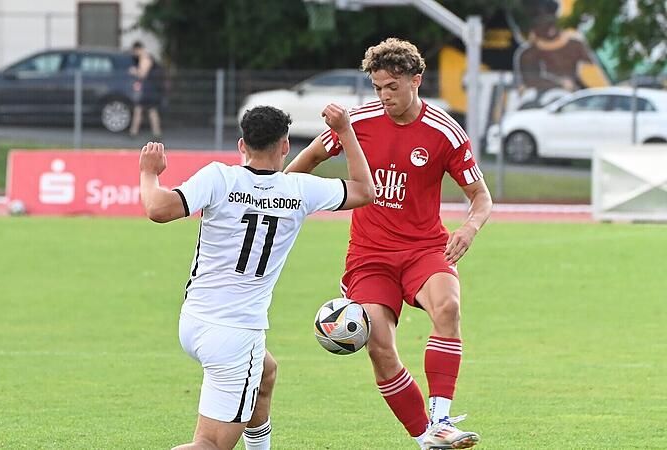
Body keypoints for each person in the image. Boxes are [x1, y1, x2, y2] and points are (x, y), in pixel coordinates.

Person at [285, 38, 492, 450]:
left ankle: (442, 418)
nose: (384, 96)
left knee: (448, 307)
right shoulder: (357, 123)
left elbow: (481, 197)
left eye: (392, 87)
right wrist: (273, 196)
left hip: (425, 249)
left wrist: (469, 228)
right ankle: (425, 437)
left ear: (416, 81)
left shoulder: (445, 132)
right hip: (369, 257)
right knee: (379, 347)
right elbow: (305, 162)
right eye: (378, 87)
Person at [139, 104, 375, 450]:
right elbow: (365, 191)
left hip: (194, 321)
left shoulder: (218, 177)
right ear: (285, 146)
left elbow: (158, 208)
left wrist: (149, 172)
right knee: (210, 444)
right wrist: (344, 130)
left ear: (241, 145)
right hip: (236, 333)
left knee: (265, 373)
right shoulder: (299, 189)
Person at [513, 0, 608, 107]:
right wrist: (560, 84)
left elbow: (593, 74)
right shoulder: (528, 53)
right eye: (541, 21)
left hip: (577, 98)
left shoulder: (575, 45)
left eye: (551, 18)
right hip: (545, 100)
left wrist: (587, 92)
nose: (549, 26)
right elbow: (531, 80)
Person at [129, 41, 163, 139]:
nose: (134, 53)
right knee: (148, 110)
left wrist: (134, 71)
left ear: (138, 49)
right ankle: (155, 133)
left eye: (135, 51)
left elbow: (143, 74)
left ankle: (134, 132)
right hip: (150, 88)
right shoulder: (146, 57)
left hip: (149, 89)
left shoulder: (145, 58)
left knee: (142, 109)